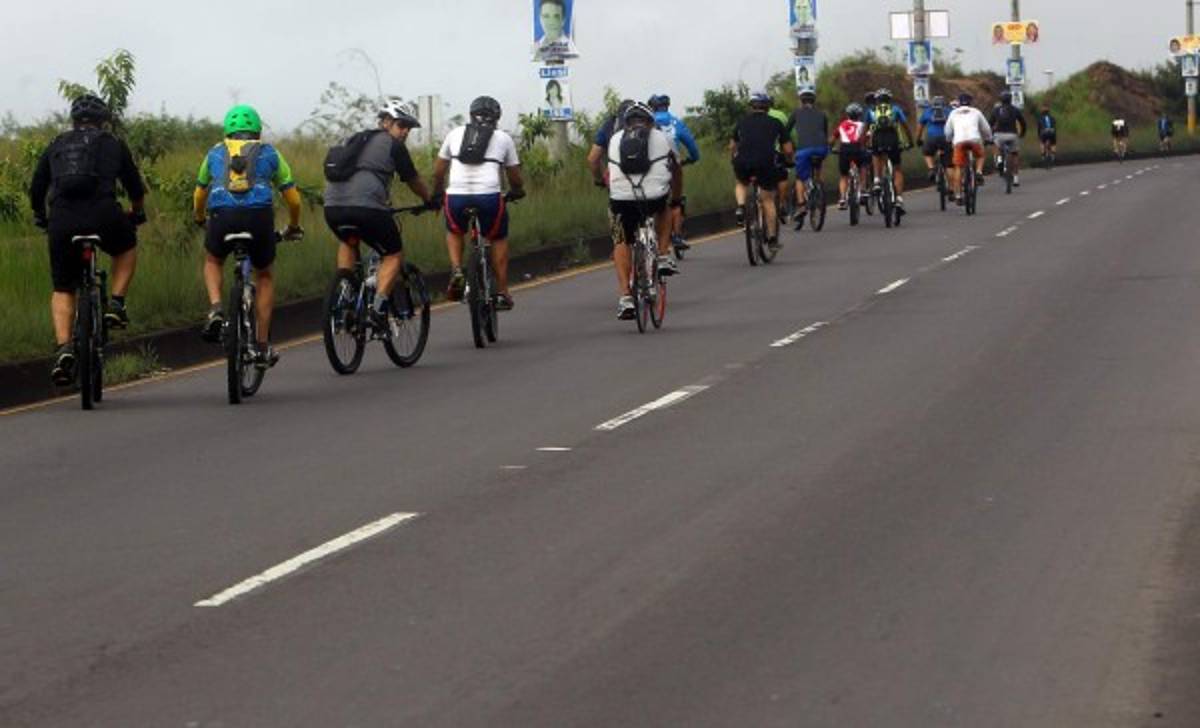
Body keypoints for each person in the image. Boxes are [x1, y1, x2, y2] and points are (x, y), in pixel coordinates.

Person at [29, 94, 147, 385]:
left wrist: (41, 216)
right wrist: (137, 212)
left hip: (62, 219)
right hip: (104, 214)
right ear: (103, 120)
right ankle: (116, 304)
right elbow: (134, 186)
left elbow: (37, 187)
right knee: (126, 247)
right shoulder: (113, 143)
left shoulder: (57, 143)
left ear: (73, 120)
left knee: (63, 288)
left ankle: (64, 347)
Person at [194, 105, 304, 369]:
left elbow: (199, 194)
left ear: (227, 130)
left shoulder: (214, 153)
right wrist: (293, 226)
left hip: (221, 216)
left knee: (213, 260)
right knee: (264, 275)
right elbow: (294, 200)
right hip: (258, 217)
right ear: (258, 130)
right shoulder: (270, 153)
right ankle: (263, 346)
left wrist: (200, 219)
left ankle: (216, 307)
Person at [323, 101, 437, 331]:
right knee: (393, 254)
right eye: (401, 125)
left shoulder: (353, 140)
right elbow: (413, 180)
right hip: (367, 209)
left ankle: (345, 295)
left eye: (408, 128)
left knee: (348, 240)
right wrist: (430, 200)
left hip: (332, 208)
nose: (405, 132)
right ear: (385, 122)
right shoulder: (393, 146)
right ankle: (377, 309)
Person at [432, 96, 526, 311]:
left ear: (471, 115)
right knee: (498, 237)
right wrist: (517, 190)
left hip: (456, 197)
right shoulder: (503, 138)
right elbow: (514, 176)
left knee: (454, 231)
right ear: (497, 117)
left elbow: (438, 172)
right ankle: (502, 292)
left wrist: (437, 194)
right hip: (489, 197)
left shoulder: (454, 134)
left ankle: (457, 270)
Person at [596, 102, 682, 320]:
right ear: (651, 122)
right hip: (654, 197)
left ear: (625, 123)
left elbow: (605, 168)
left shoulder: (615, 139)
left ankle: (625, 296)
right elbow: (677, 170)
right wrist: (676, 199)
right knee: (665, 209)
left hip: (621, 200)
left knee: (620, 240)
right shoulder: (663, 137)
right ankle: (663, 255)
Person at [732, 93, 792, 249]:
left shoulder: (741, 122)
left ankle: (740, 207)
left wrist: (734, 159)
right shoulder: (776, 123)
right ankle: (772, 239)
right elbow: (788, 149)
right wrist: (788, 160)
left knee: (741, 182)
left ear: (751, 107)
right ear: (768, 107)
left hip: (743, 161)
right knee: (767, 200)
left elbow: (732, 146)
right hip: (765, 162)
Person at [649, 94, 700, 253]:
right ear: (667, 106)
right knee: (676, 201)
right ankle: (677, 236)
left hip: (649, 168)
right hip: (671, 166)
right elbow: (691, 144)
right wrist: (693, 158)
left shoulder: (647, 122)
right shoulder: (675, 122)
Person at [867, 88, 915, 213]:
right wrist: (910, 142)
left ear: (877, 100)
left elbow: (865, 130)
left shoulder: (872, 111)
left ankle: (877, 180)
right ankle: (899, 199)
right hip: (892, 139)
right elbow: (905, 127)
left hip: (878, 139)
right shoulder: (896, 109)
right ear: (889, 100)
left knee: (875, 154)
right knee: (897, 169)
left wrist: (864, 144)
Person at [788, 89, 829, 230]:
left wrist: (791, 146)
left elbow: (786, 132)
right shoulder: (822, 114)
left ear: (801, 101)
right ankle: (819, 187)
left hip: (804, 150)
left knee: (800, 178)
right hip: (822, 148)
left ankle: (801, 206)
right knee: (818, 165)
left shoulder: (796, 113)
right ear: (814, 101)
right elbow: (825, 132)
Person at [944, 93, 993, 204]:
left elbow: (947, 131)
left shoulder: (953, 113)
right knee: (980, 156)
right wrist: (989, 138)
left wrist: (949, 139)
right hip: (974, 140)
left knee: (958, 167)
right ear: (970, 102)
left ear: (959, 102)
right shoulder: (976, 112)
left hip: (959, 141)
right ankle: (979, 172)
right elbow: (986, 129)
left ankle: (958, 196)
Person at [831, 103, 868, 210]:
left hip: (844, 150)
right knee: (863, 167)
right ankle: (863, 190)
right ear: (859, 115)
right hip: (857, 148)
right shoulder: (862, 125)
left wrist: (831, 148)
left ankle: (842, 198)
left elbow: (832, 139)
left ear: (847, 115)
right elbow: (866, 138)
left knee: (844, 175)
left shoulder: (842, 124)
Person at [988, 91, 1027, 185]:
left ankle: (999, 162)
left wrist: (990, 135)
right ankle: (1016, 178)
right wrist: (1022, 134)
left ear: (1000, 100)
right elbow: (1023, 123)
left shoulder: (996, 110)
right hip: (1012, 135)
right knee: (1015, 154)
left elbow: (990, 123)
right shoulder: (1015, 109)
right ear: (1010, 99)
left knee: (997, 149)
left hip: (999, 135)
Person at [916, 95, 951, 187]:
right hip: (945, 138)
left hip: (931, 138)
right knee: (949, 164)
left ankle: (931, 168)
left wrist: (918, 139)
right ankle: (951, 188)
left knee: (927, 153)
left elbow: (920, 128)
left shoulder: (927, 112)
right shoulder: (949, 111)